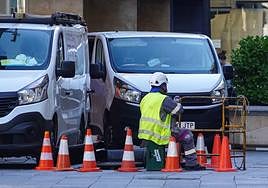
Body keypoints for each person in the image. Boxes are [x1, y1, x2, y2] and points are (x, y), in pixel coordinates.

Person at [138, 72, 205, 171]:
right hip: (161, 133)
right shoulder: (163, 99)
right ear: (163, 85)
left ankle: (175, 159)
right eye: (165, 85)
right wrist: (177, 102)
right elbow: (179, 110)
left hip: (146, 133)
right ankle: (191, 163)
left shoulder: (145, 98)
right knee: (187, 135)